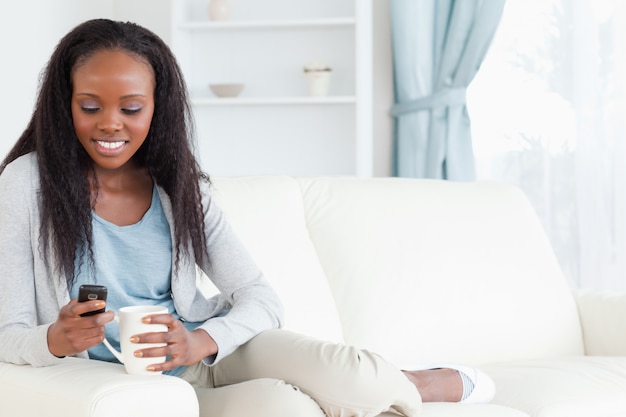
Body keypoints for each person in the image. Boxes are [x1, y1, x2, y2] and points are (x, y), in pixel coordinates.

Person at [0, 19, 494, 417]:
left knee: (356, 376)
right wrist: (55, 340)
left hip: (211, 354)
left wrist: (200, 341)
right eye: (90, 106)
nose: (110, 123)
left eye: (131, 108)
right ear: (65, 106)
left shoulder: (179, 185)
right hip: (139, 388)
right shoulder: (26, 185)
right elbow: (8, 332)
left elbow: (260, 298)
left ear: (157, 109)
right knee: (286, 409)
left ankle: (417, 382)